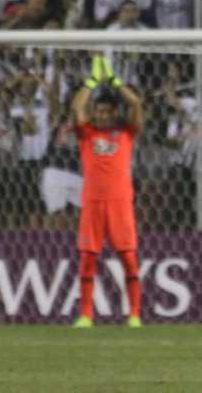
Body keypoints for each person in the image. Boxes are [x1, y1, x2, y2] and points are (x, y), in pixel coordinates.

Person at [71, 55, 145, 328]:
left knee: (128, 258)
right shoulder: (86, 133)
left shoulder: (125, 133)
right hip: (93, 202)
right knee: (88, 258)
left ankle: (134, 315)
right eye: (98, 111)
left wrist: (114, 81)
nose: (102, 115)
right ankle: (86, 316)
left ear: (114, 112)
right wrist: (92, 81)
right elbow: (77, 106)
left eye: (107, 111)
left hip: (119, 202)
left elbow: (135, 103)